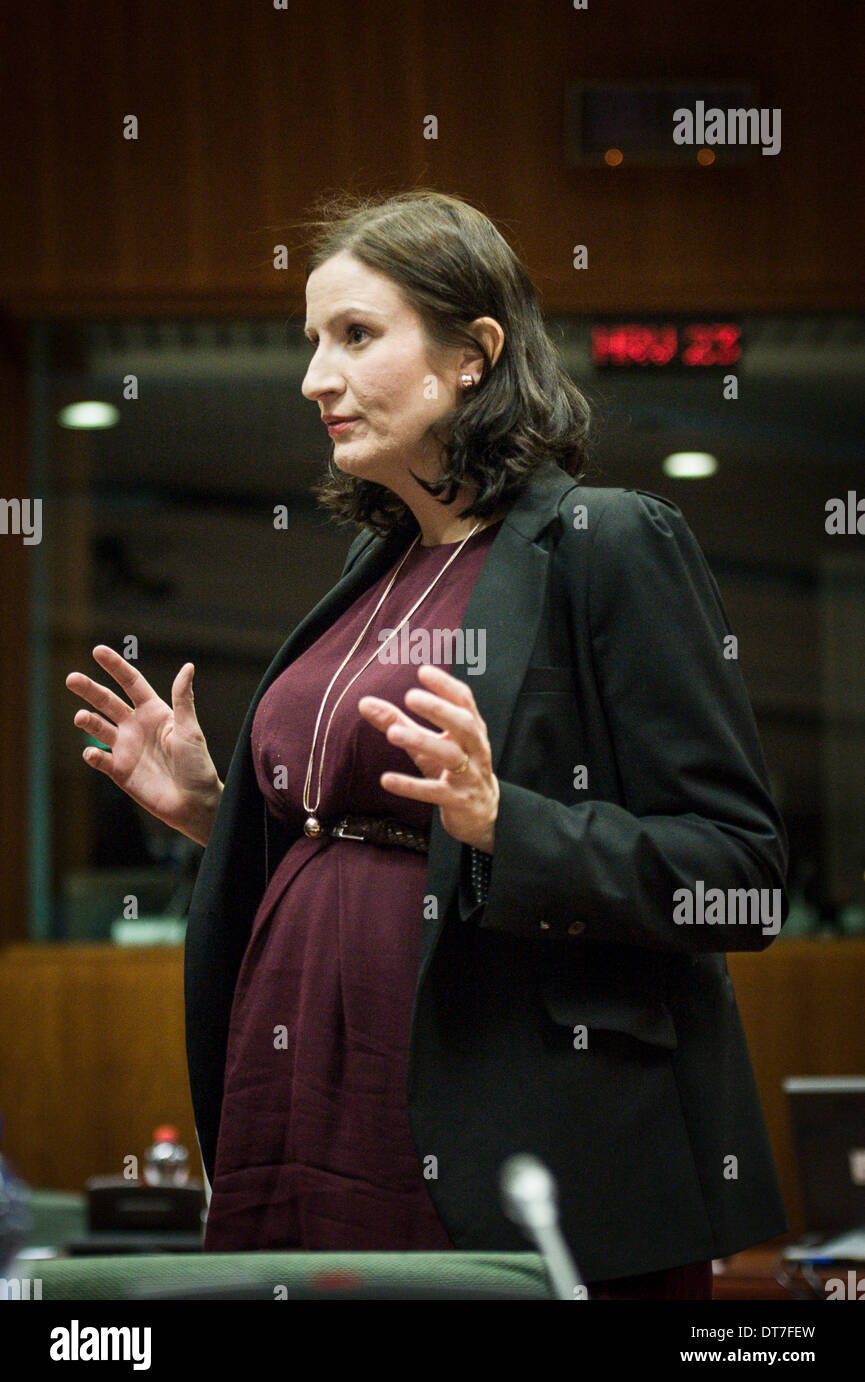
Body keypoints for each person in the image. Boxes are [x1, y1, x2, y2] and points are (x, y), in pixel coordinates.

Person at [65, 190, 789, 1299]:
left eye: (354, 335)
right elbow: (376, 829)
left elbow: (739, 873)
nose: (315, 377)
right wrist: (218, 812)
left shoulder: (607, 542)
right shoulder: (376, 569)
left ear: (471, 354)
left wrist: (513, 822)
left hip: (511, 1119)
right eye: (311, 342)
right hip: (301, 1085)